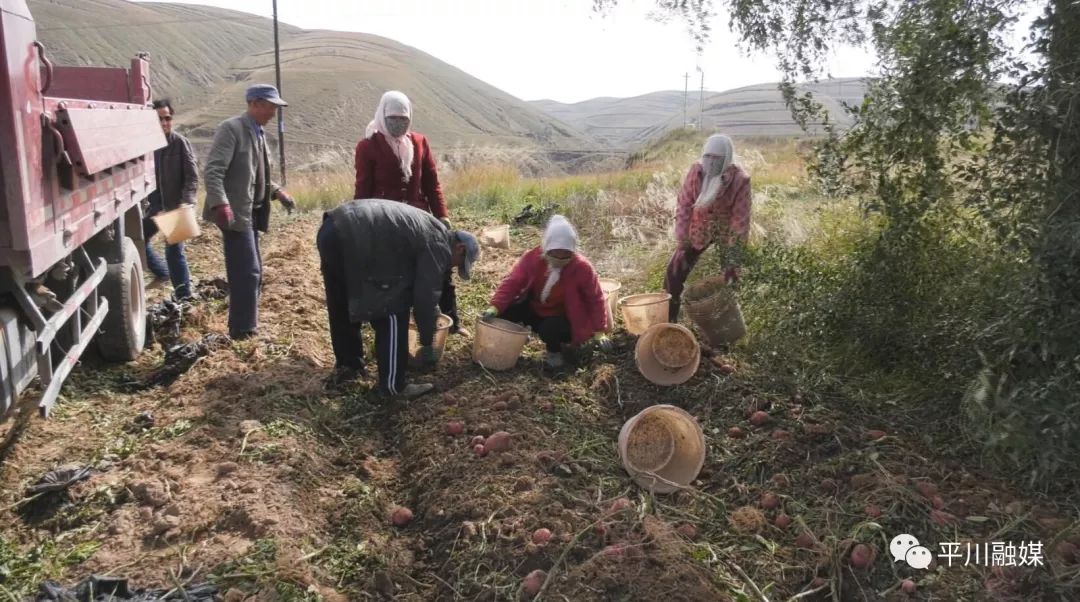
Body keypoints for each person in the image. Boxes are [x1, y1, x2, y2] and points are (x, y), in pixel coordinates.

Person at [318, 199, 479, 397]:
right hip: (355, 236)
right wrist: (428, 342)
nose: (453, 268)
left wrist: (431, 313)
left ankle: (349, 367)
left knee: (342, 302)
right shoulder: (440, 245)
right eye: (459, 264)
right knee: (393, 309)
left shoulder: (431, 228)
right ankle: (394, 386)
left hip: (332, 228)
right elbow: (425, 299)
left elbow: (419, 285)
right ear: (460, 248)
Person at [353, 91, 468, 337]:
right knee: (394, 274)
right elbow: (363, 189)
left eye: (404, 119)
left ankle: (451, 321)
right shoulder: (368, 147)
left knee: (440, 266)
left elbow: (432, 183)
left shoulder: (419, 143)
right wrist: (362, 226)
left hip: (421, 220)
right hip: (387, 222)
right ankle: (395, 324)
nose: (398, 124)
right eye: (393, 119)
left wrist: (442, 216)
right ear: (383, 117)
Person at [203, 84, 296, 340]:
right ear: (254, 104)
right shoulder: (231, 129)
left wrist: (278, 192)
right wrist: (220, 204)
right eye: (270, 106)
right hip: (235, 213)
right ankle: (242, 330)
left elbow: (258, 175)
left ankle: (246, 322)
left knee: (252, 270)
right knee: (247, 271)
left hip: (252, 212)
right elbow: (213, 171)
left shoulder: (259, 133)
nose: (273, 113)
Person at [482, 215, 610, 369]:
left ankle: (554, 352)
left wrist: (599, 330)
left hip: (563, 317)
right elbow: (513, 282)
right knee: (506, 312)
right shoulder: (533, 258)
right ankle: (515, 338)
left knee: (550, 328)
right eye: (555, 253)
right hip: (536, 309)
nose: (560, 258)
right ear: (547, 248)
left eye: (566, 254)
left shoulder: (582, 268)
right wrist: (495, 306)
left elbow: (595, 299)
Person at [663, 134, 752, 322]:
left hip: (725, 230)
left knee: (730, 277)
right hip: (697, 229)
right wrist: (682, 238)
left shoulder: (739, 180)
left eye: (717, 158)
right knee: (674, 273)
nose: (711, 162)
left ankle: (728, 323)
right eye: (708, 156)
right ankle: (669, 319)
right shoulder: (696, 172)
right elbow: (684, 205)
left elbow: (740, 221)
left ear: (726, 159)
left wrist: (733, 255)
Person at [143, 99, 197, 300]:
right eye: (159, 119)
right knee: (138, 240)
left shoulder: (179, 143)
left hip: (175, 206)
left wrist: (186, 202)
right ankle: (161, 272)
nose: (165, 123)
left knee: (174, 252)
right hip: (154, 207)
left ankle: (184, 296)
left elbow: (192, 176)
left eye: (167, 118)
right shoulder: (146, 146)